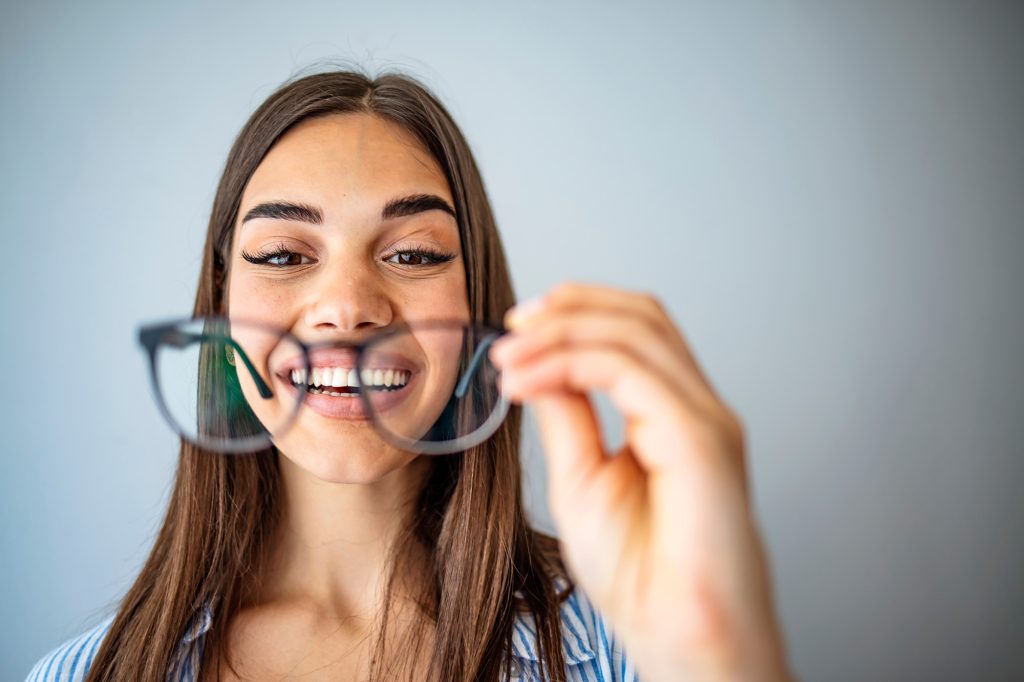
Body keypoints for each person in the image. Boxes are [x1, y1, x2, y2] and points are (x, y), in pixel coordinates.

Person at [26, 69, 794, 681]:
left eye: (415, 253)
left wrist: (720, 657)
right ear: (221, 304)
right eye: (284, 256)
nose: (347, 308)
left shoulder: (631, 648)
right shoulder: (76, 676)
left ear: (478, 304)